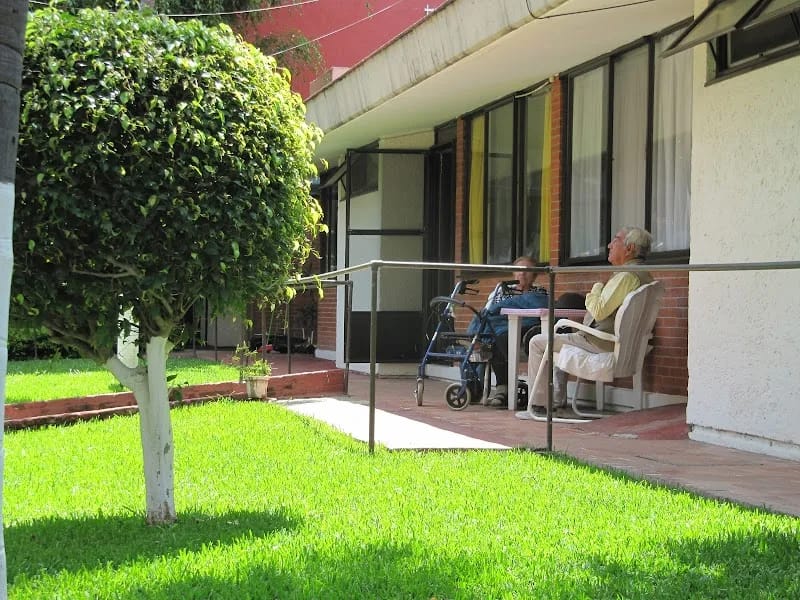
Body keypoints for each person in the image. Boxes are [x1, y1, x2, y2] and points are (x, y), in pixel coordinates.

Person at [516, 226, 653, 419]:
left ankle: (538, 406)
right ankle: (554, 400)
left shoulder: (626, 277)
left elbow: (598, 311)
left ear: (629, 248)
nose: (609, 245)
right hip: (622, 345)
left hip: (600, 343)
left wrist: (596, 288)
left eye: (615, 240)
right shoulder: (645, 276)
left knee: (537, 342)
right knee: (557, 339)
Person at [467, 256, 548, 408]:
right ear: (513, 273)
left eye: (527, 271)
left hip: (525, 328)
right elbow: (490, 311)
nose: (522, 274)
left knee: (502, 337)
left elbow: (542, 311)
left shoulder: (540, 292)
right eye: (519, 270)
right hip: (501, 327)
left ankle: (502, 388)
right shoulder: (502, 290)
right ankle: (500, 386)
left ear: (534, 275)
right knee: (497, 335)